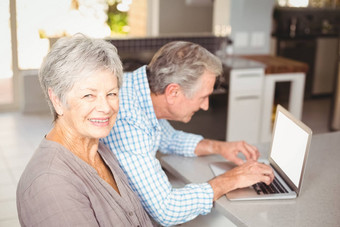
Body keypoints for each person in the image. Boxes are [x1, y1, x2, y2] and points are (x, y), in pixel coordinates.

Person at [102, 41, 275, 226]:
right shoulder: (129, 120)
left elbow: (168, 138)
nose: (205, 105)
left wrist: (219, 147)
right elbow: (167, 210)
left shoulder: (137, 89)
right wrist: (231, 179)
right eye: (203, 97)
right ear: (173, 92)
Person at [16, 34, 153, 227]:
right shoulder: (50, 183)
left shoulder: (100, 149)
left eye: (111, 94)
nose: (106, 107)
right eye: (89, 95)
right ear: (57, 100)